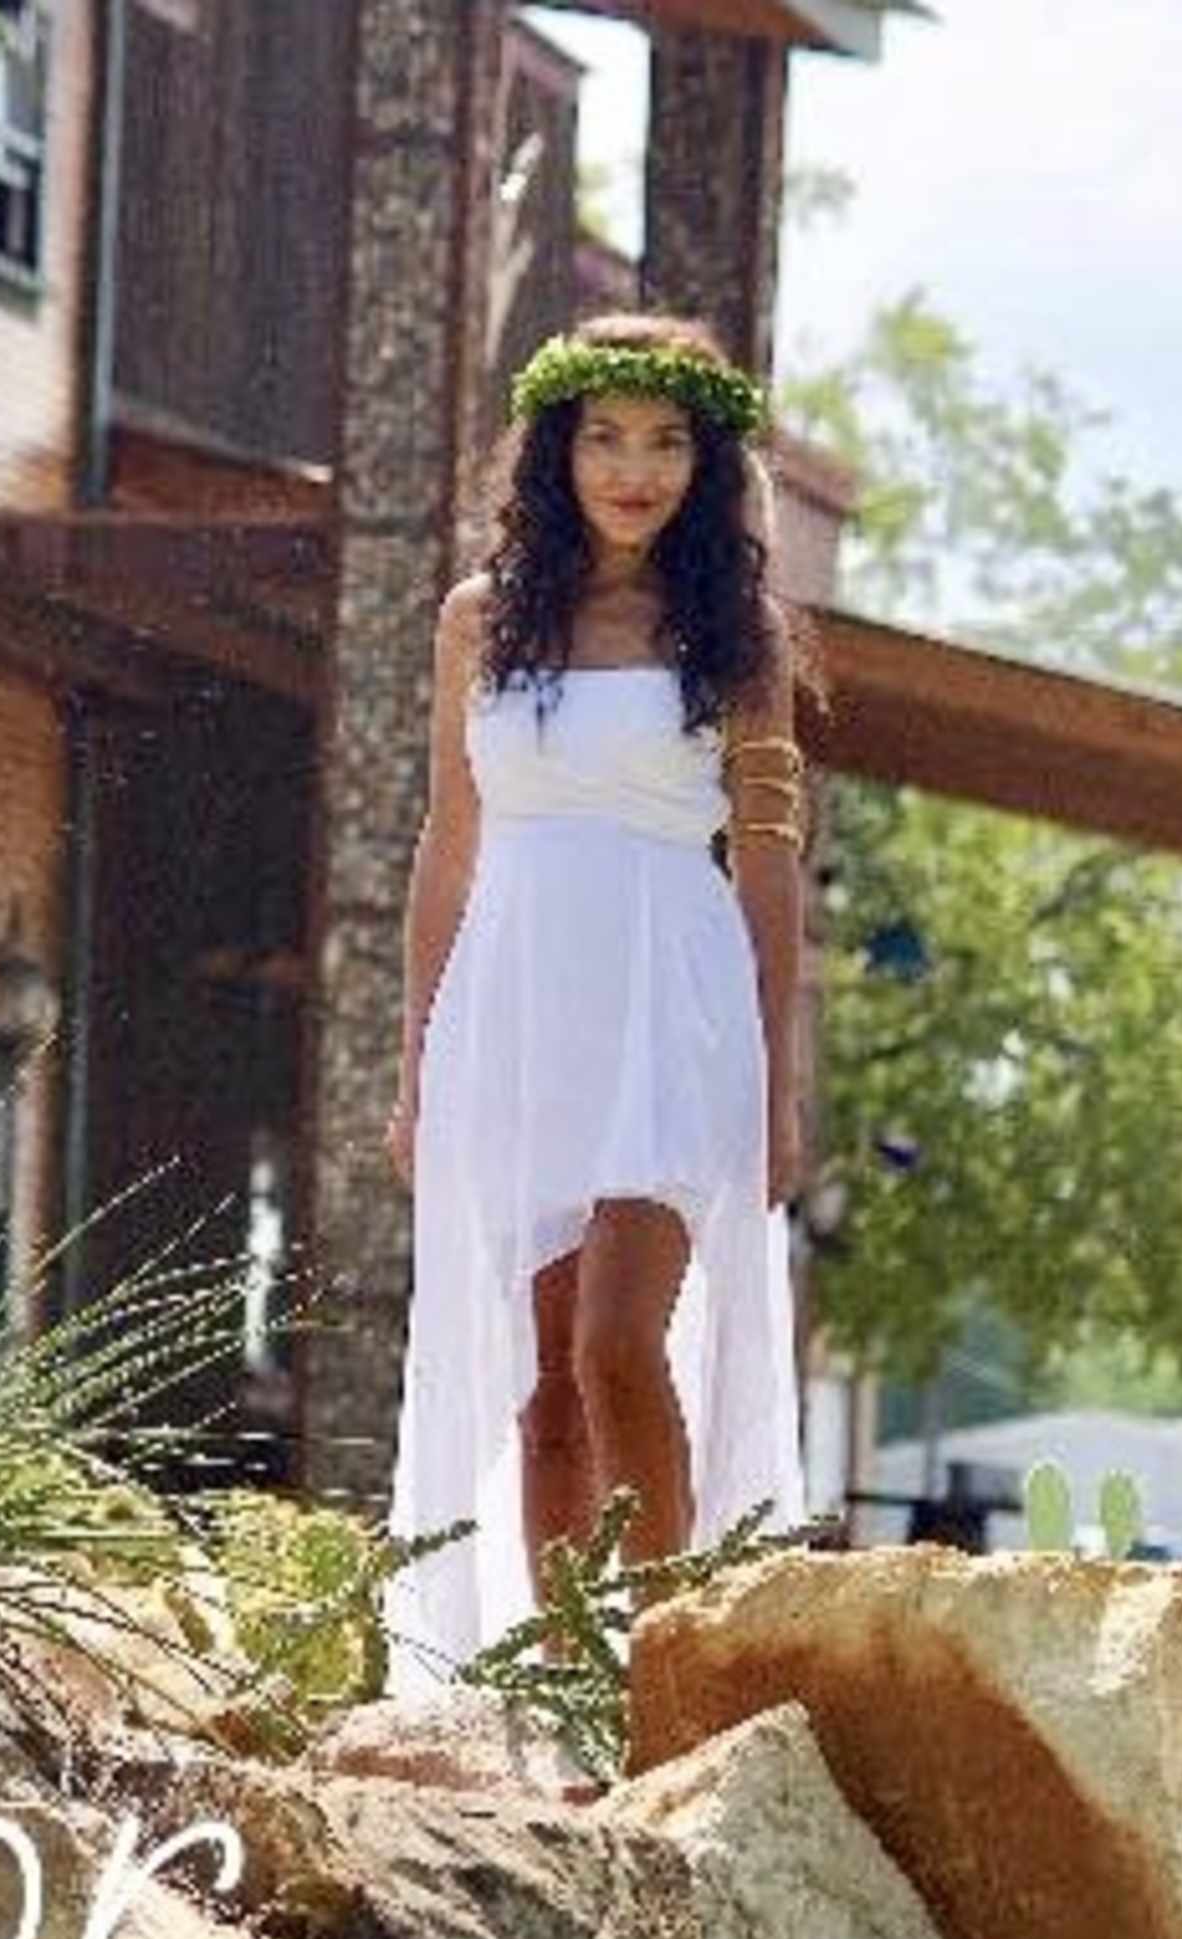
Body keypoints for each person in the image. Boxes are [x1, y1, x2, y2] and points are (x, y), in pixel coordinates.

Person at [383, 313, 816, 1684]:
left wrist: (780, 1078)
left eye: (668, 441)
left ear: (707, 461)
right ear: (557, 451)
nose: (635, 470)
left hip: (672, 1005)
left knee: (619, 1343)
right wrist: (415, 1062)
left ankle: (669, 1672)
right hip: (519, 1010)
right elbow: (448, 846)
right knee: (546, 1382)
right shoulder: (478, 622)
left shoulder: (736, 636)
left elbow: (768, 862)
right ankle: (556, 1685)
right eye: (607, 438)